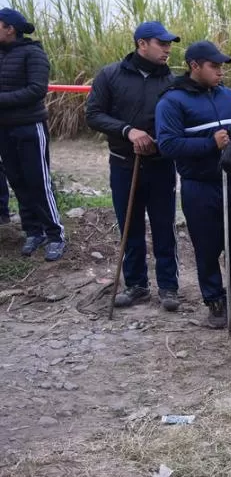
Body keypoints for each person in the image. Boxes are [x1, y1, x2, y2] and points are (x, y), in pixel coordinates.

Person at [156, 41, 231, 328]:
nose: (220, 72)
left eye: (222, 66)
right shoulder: (172, 101)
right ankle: (214, 301)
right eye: (214, 66)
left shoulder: (230, 97)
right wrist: (209, 143)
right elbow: (167, 145)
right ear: (194, 66)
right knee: (207, 247)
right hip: (199, 185)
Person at [86, 21, 181, 311]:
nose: (167, 49)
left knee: (165, 225)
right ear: (142, 44)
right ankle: (137, 285)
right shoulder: (110, 74)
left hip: (161, 164)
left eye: (169, 44)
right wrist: (128, 130)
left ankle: (168, 287)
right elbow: (93, 114)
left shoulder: (173, 82)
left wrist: (161, 139)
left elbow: (181, 120)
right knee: (130, 226)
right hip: (123, 164)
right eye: (161, 43)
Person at [0, 7, 65, 261]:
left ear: (10, 29)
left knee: (38, 181)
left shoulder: (33, 54)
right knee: (17, 180)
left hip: (29, 126)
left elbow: (37, 90)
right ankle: (33, 231)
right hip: (4, 128)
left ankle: (55, 235)